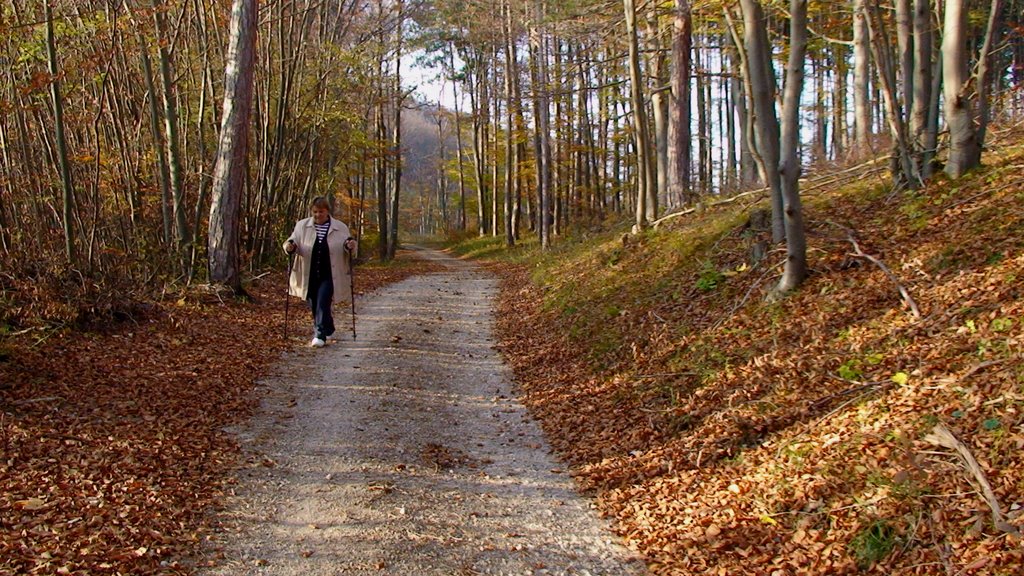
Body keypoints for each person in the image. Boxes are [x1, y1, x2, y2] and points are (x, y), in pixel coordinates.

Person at [284, 197, 358, 347]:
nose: (318, 215)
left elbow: (348, 246)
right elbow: (293, 241)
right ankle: (328, 326)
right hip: (308, 273)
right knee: (314, 303)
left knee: (323, 302)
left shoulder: (340, 227)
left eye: (321, 212)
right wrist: (289, 246)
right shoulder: (302, 226)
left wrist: (350, 245)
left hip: (330, 273)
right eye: (315, 212)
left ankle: (319, 334)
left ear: (327, 211)